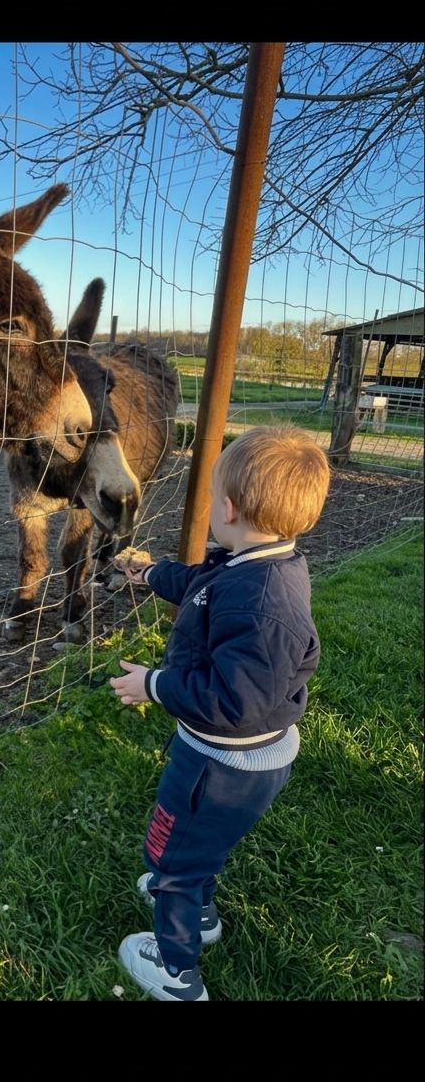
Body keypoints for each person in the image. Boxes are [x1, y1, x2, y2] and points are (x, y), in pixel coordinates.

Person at [110, 424, 330, 1001]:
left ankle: (175, 968)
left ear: (227, 508)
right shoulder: (261, 563)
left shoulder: (262, 604)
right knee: (204, 841)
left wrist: (154, 684)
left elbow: (234, 702)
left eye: (210, 496)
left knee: (172, 852)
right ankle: (201, 912)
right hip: (245, 759)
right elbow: (204, 585)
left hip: (221, 764)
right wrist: (153, 573)